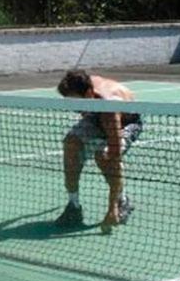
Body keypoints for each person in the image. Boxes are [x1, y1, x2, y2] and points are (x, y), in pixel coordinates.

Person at [55, 68, 142, 234]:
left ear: (88, 93)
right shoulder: (83, 85)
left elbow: (114, 156)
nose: (73, 107)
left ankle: (121, 202)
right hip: (96, 114)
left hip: (124, 122)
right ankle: (73, 206)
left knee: (104, 156)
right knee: (71, 144)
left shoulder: (110, 105)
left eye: (75, 102)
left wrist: (111, 209)